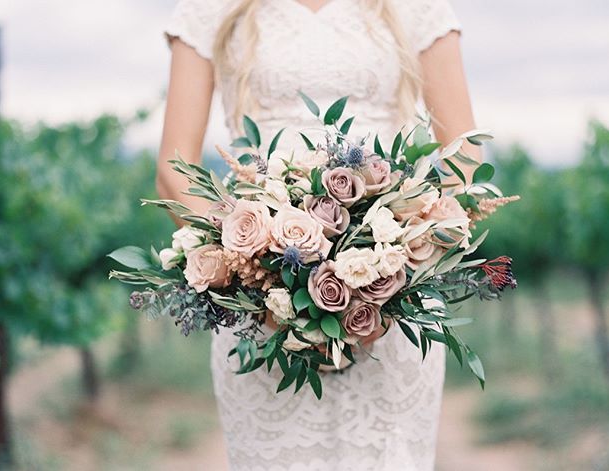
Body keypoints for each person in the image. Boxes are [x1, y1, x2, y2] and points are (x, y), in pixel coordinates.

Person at [156, 1, 480, 469]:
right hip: (260, 316)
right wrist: (258, 282)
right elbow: (173, 172)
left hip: (395, 307)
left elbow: (463, 155)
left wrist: (394, 277)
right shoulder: (213, 8)